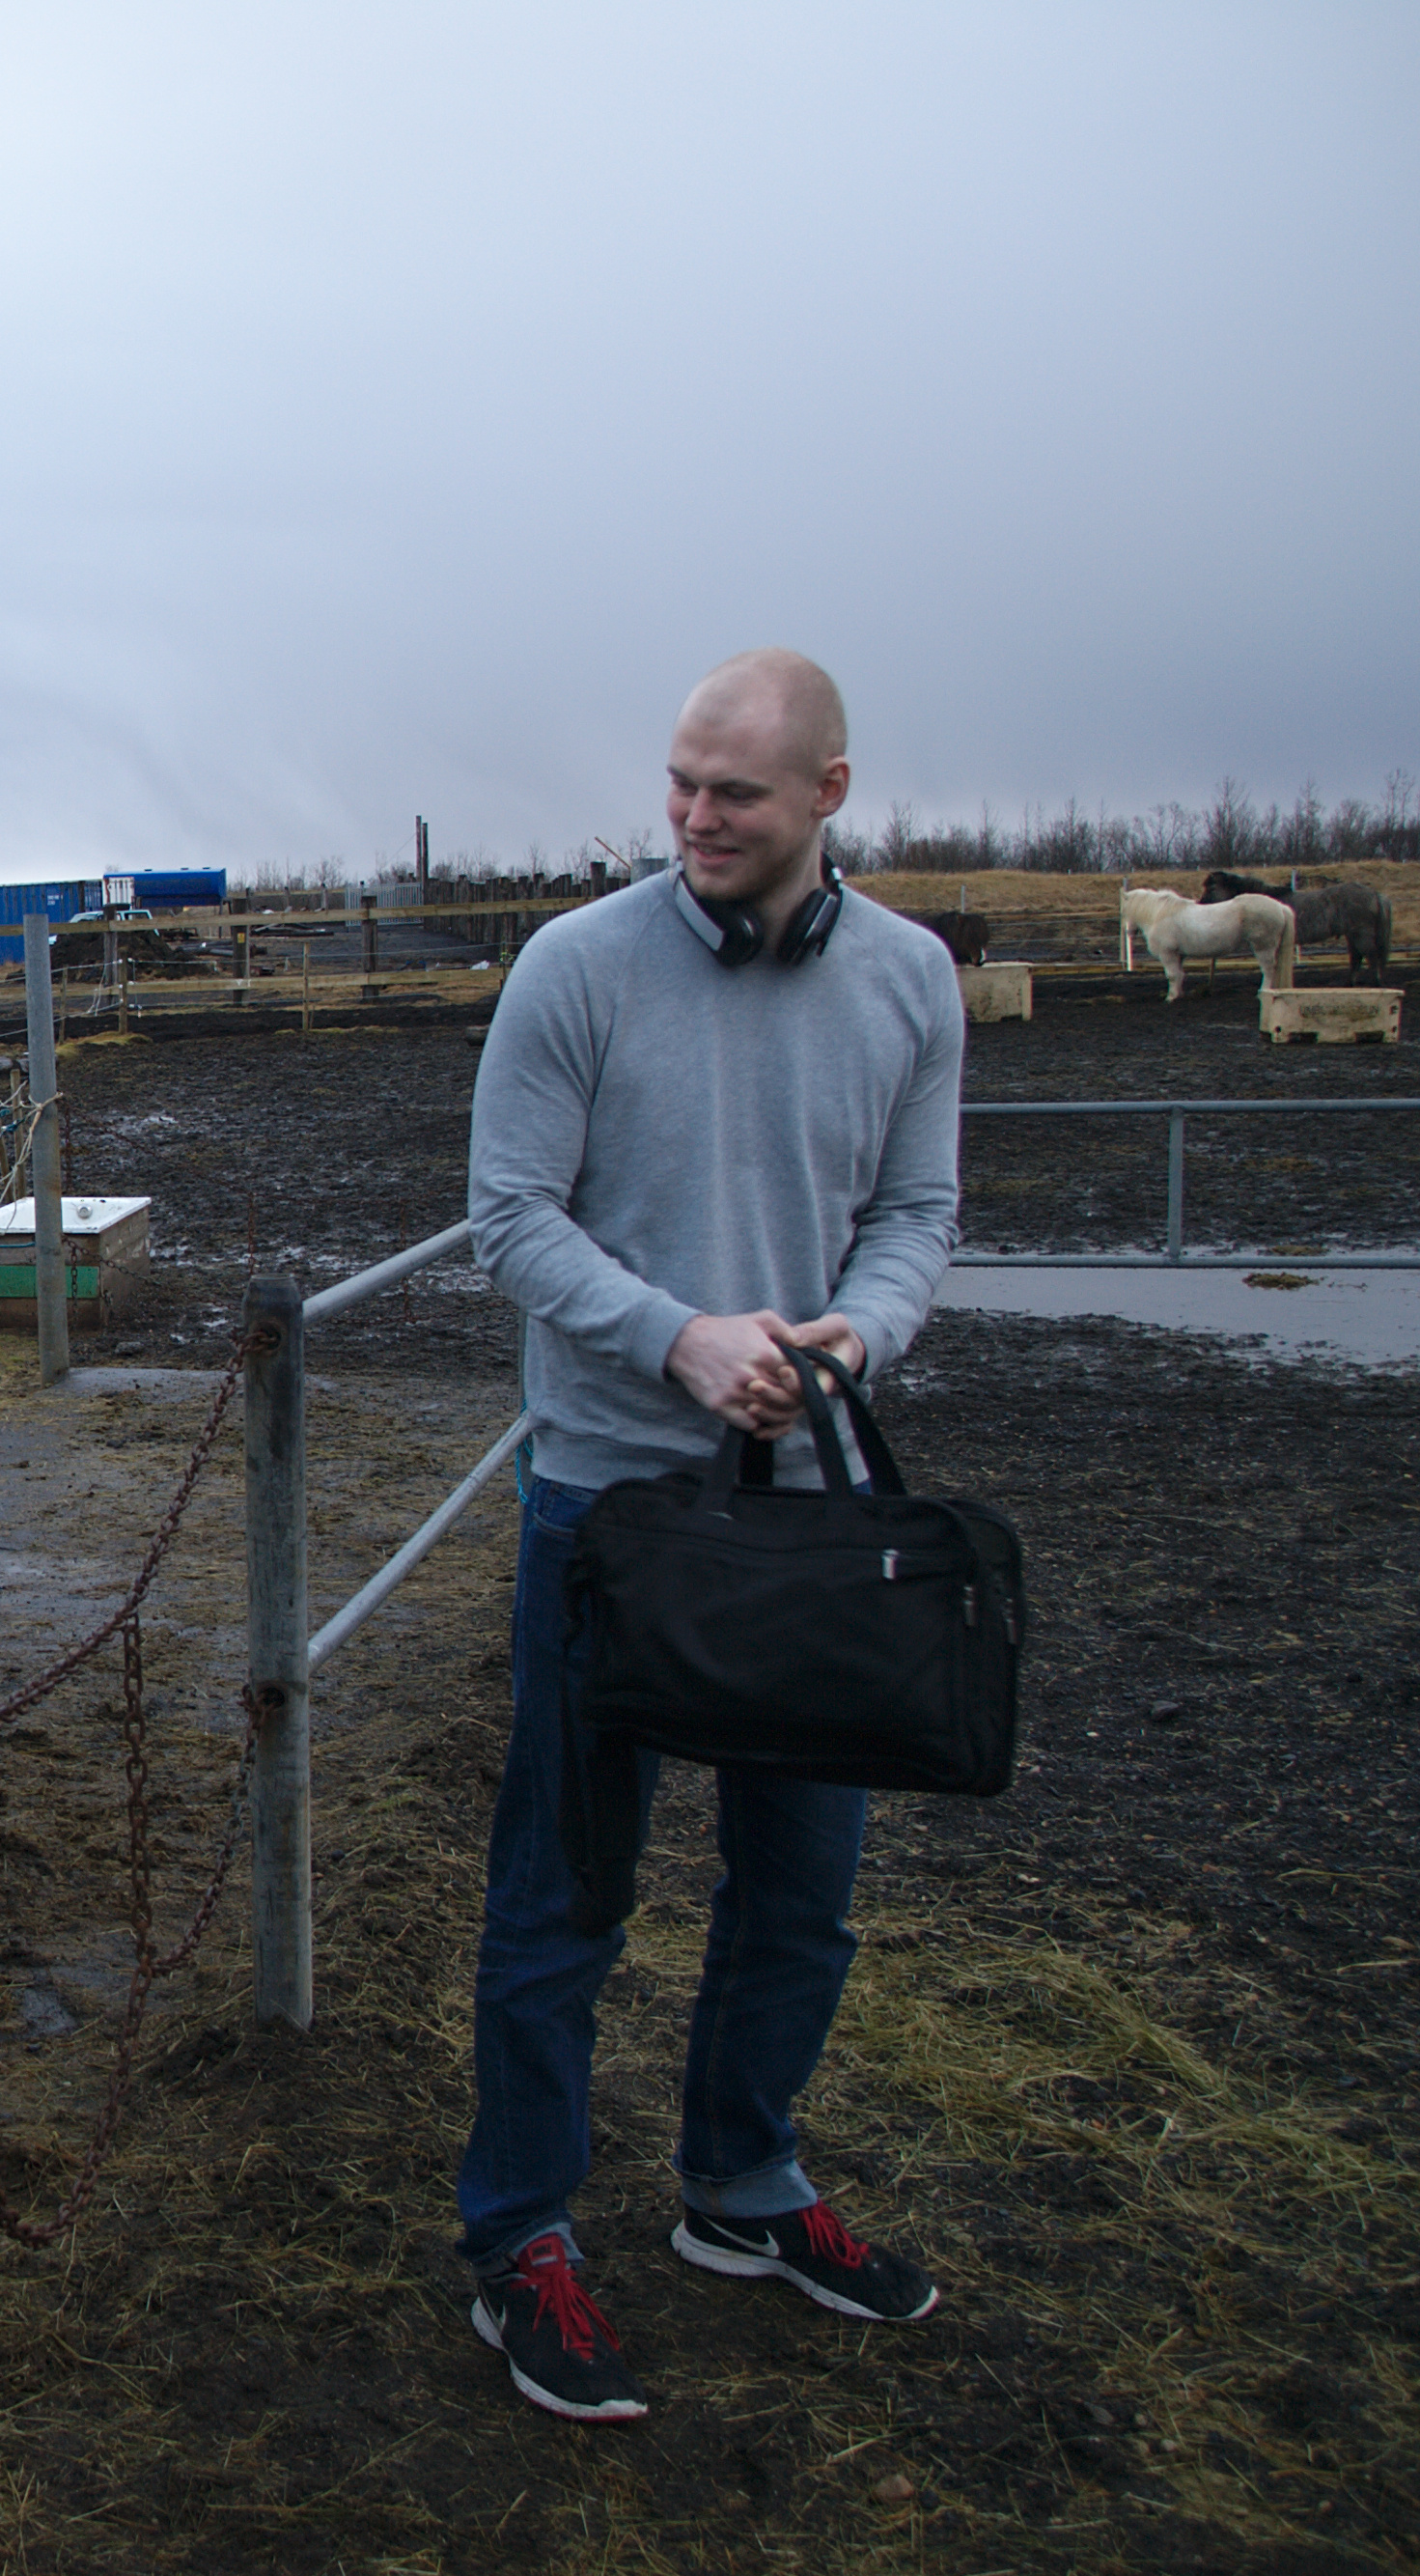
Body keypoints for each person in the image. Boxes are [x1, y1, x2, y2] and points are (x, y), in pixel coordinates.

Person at [457, 648, 964, 2422]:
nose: (692, 817)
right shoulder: (576, 968)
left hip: (814, 1521)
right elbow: (509, 1218)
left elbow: (915, 1212)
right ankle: (519, 2233)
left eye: (733, 792)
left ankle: (744, 2185)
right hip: (609, 1512)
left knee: (803, 1893)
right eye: (679, 782)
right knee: (564, 1894)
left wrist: (855, 1340)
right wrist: (680, 1339)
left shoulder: (911, 978)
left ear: (830, 792)